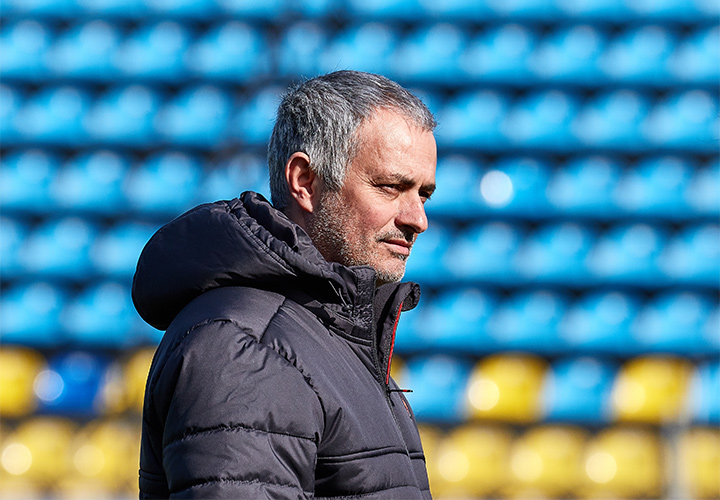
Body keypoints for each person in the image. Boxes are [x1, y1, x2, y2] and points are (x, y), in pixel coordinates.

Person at [132, 70, 438, 499]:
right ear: (304, 182)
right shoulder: (247, 347)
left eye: (423, 195)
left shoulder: (333, 338)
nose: (416, 219)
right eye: (391, 187)